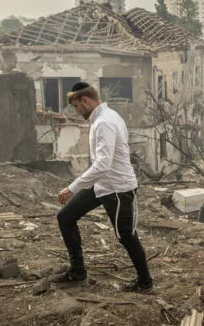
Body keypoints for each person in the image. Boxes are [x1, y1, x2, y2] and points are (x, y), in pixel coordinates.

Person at [55, 82, 152, 292]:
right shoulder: (103, 118)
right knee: (65, 217)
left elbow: (103, 163)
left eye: (76, 107)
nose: (76, 111)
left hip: (118, 189)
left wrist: (72, 187)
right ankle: (78, 272)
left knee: (126, 236)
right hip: (100, 185)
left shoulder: (105, 122)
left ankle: (145, 282)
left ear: (85, 100)